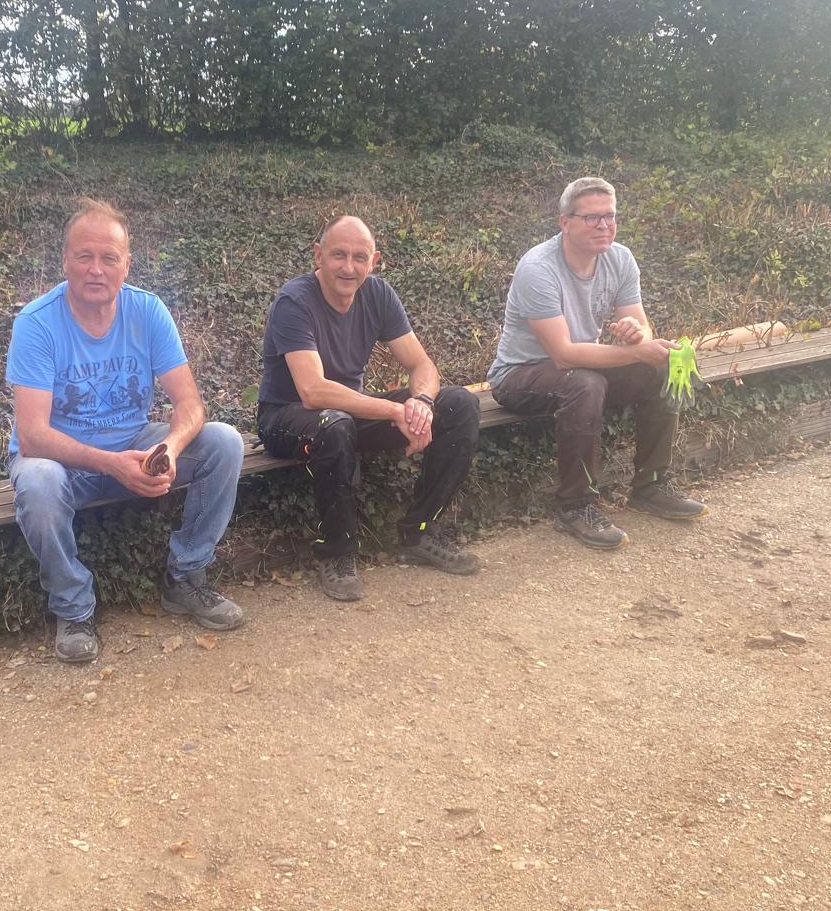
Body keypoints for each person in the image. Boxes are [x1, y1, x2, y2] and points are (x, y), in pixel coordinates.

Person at [6, 199, 245, 663]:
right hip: (62, 461)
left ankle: (185, 577)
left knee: (224, 442)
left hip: (133, 445)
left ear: (126, 264)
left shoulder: (148, 311)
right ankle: (73, 608)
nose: (96, 269)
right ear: (65, 260)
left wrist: (169, 448)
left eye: (108, 258)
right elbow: (32, 436)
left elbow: (190, 404)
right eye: (84, 256)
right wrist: (110, 464)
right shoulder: (36, 324)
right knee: (37, 480)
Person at [256, 215, 482, 601]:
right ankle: (337, 553)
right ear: (318, 255)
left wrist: (421, 404)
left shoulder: (377, 294)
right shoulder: (294, 300)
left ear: (373, 261)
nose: (349, 267)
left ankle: (420, 532)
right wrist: (395, 411)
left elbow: (422, 365)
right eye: (338, 255)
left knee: (460, 404)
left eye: (359, 257)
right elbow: (312, 391)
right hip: (286, 416)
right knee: (333, 423)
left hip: (348, 414)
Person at [488, 176, 707, 549]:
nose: (604, 225)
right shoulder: (538, 268)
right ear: (565, 222)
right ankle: (575, 505)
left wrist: (637, 334)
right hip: (519, 376)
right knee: (585, 383)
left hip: (580, 369)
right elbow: (563, 354)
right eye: (592, 217)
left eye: (610, 216)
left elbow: (643, 327)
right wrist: (635, 351)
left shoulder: (619, 258)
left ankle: (651, 486)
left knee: (657, 367)